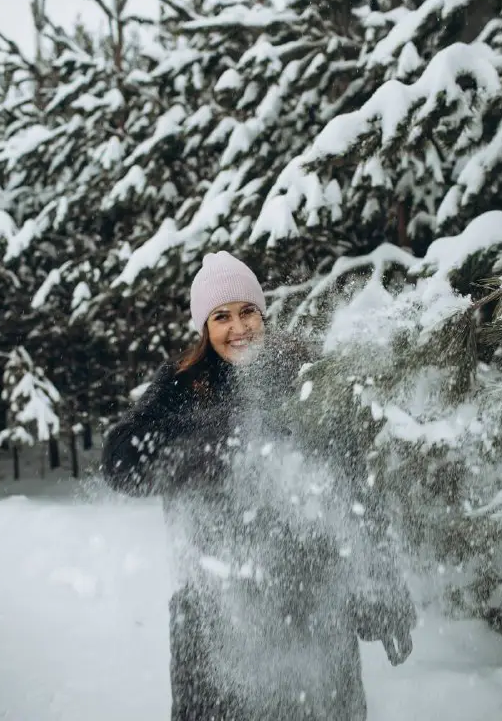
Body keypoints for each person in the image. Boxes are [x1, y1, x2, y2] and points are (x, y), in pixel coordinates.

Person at [101, 251, 416, 721]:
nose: (239, 327)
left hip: (311, 603)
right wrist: (197, 446)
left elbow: (355, 489)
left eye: (247, 311)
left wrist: (383, 591)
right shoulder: (182, 386)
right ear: (204, 328)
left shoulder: (304, 375)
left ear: (262, 313)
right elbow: (121, 463)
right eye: (221, 316)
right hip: (213, 610)